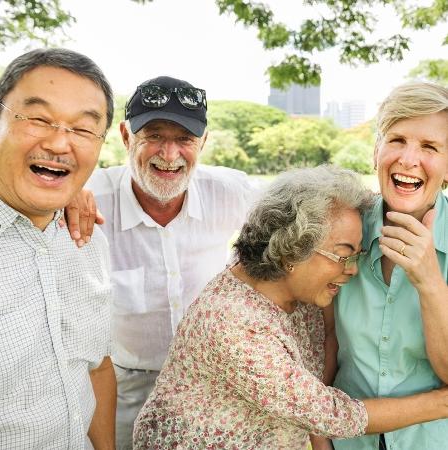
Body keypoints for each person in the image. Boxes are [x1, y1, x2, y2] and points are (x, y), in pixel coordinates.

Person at [133, 165, 448, 450]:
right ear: (293, 249)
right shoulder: (232, 323)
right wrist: (441, 403)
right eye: (344, 254)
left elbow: (323, 354)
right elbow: (332, 414)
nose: (353, 269)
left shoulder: (298, 295)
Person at [81, 75, 260, 449]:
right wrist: (66, 195)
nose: (169, 153)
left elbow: (305, 212)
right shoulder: (88, 197)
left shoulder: (232, 192)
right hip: (125, 386)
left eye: (184, 139)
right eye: (155, 136)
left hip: (214, 384)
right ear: (127, 137)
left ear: (204, 142)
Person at [0, 48, 116, 449]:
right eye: (38, 119)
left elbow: (97, 367)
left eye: (83, 129)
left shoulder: (87, 238)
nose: (59, 143)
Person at [333, 81, 448, 450]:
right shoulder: (339, 230)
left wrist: (429, 280)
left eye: (429, 147)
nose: (408, 159)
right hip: (347, 442)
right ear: (376, 151)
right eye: (397, 140)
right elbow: (320, 351)